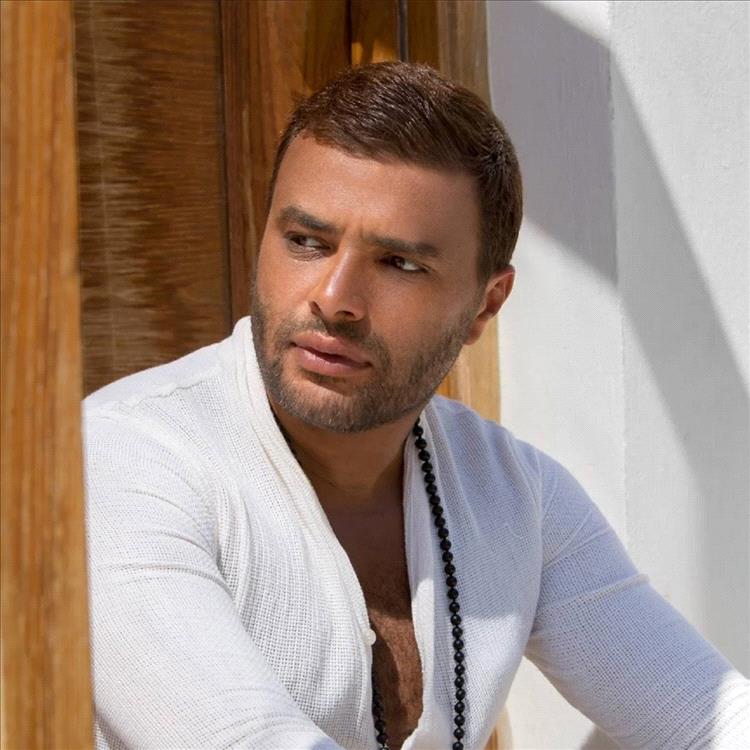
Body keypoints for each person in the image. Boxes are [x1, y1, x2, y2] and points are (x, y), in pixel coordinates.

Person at [83, 62, 748, 750]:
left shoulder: (516, 496)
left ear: (484, 305)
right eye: (306, 242)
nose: (334, 298)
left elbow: (706, 716)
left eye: (399, 263)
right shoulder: (121, 461)